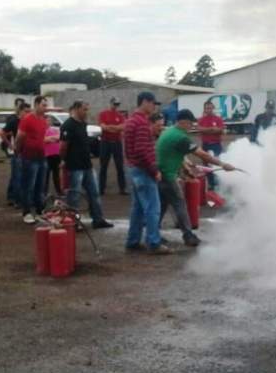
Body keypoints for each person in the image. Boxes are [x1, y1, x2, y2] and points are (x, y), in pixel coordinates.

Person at [156, 109, 235, 247]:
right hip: (168, 175)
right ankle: (188, 235)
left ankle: (153, 235)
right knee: (179, 205)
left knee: (162, 206)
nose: (192, 125)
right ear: (183, 122)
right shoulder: (180, 137)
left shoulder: (169, 132)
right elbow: (203, 155)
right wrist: (223, 164)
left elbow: (173, 153)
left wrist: (185, 168)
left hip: (161, 174)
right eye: (190, 122)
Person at [123, 91, 169, 254]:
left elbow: (131, 150)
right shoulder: (142, 123)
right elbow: (142, 150)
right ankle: (154, 243)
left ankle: (133, 241)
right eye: (152, 103)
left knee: (138, 209)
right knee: (152, 208)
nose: (153, 107)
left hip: (134, 168)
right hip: (143, 170)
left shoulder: (130, 121)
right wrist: (154, 170)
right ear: (144, 102)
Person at [60, 101, 113, 229]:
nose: (86, 112)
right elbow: (63, 146)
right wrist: (63, 161)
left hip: (86, 164)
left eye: (87, 109)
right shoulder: (68, 125)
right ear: (77, 109)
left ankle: (98, 219)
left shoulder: (83, 124)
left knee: (94, 193)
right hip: (74, 165)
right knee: (74, 195)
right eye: (84, 109)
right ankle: (73, 222)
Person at [15, 95, 51, 224]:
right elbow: (20, 137)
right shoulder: (28, 119)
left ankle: (40, 211)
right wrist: (18, 151)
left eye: (46, 105)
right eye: (43, 105)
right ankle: (27, 212)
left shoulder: (43, 120)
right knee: (28, 186)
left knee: (40, 186)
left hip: (41, 157)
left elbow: (40, 138)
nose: (45, 108)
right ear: (36, 105)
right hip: (29, 157)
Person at [97, 97, 127, 195]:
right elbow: (103, 127)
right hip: (105, 142)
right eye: (115, 104)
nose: (116, 106)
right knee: (103, 166)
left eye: (117, 104)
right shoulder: (103, 114)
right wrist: (115, 128)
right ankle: (101, 188)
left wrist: (110, 127)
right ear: (110, 103)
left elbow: (122, 127)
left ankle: (122, 188)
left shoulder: (120, 115)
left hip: (117, 143)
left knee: (120, 167)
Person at [3, 102, 29, 207]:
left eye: (29, 112)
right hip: (18, 153)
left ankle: (13, 197)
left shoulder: (28, 121)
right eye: (26, 112)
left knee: (19, 176)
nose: (28, 114)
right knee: (17, 176)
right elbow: (3, 132)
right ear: (21, 111)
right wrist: (9, 145)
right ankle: (17, 200)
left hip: (27, 153)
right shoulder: (14, 121)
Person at [197, 99, 225, 189]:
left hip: (216, 145)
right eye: (207, 108)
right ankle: (211, 184)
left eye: (210, 108)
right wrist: (212, 129)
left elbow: (221, 130)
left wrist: (207, 130)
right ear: (204, 109)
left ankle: (218, 183)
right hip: (205, 145)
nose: (208, 110)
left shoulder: (218, 119)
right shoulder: (201, 119)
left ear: (213, 108)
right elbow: (200, 129)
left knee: (217, 163)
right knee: (206, 165)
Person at [44, 116, 62, 196]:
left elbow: (59, 137)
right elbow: (43, 139)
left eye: (50, 120)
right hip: (47, 155)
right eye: (47, 120)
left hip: (56, 154)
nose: (49, 122)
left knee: (56, 174)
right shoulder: (42, 130)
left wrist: (50, 138)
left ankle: (59, 191)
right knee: (46, 175)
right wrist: (51, 138)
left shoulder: (54, 129)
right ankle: (44, 192)